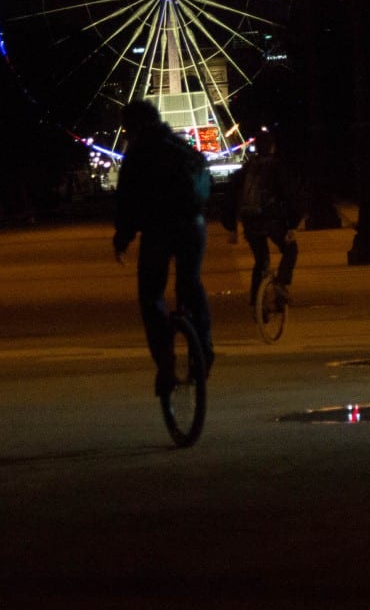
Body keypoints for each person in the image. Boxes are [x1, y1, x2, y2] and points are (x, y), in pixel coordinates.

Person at [112, 100, 213, 395]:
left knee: (151, 295)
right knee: (191, 284)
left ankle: (166, 364)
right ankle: (204, 348)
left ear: (134, 126)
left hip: (158, 229)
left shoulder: (137, 155)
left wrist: (123, 239)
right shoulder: (183, 149)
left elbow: (127, 203)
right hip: (193, 226)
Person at [222, 129, 301, 305]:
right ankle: (281, 283)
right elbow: (290, 197)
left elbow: (231, 194)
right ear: (272, 147)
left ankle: (255, 299)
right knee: (290, 249)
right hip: (271, 220)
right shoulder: (276, 167)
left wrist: (231, 226)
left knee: (261, 259)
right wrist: (291, 225)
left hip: (250, 220)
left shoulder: (247, 168)